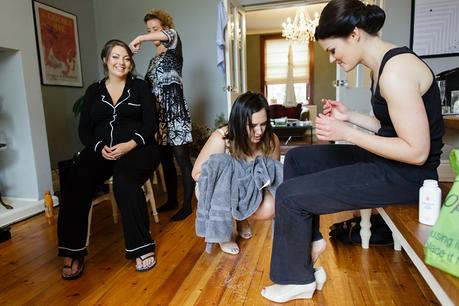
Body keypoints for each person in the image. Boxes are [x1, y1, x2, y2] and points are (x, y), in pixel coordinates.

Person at [262, 0, 444, 302]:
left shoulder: (395, 72)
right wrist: (350, 117)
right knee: (296, 158)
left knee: (290, 196)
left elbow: (417, 152)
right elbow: (390, 128)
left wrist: (348, 134)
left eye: (333, 50)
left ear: (355, 34)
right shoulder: (382, 66)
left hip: (408, 176)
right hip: (387, 162)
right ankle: (313, 242)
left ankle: (297, 280)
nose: (332, 59)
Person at [57, 39, 161, 279]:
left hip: (139, 148)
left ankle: (141, 247)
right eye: (115, 57)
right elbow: (84, 130)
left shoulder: (140, 87)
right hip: (101, 151)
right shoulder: (94, 91)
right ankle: (72, 251)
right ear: (105, 60)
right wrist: (99, 147)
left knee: (125, 181)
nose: (121, 62)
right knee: (76, 180)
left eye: (126, 58)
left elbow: (150, 125)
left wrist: (130, 144)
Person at [192, 92, 281, 255]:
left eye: (263, 124)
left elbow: (273, 176)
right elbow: (196, 173)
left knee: (272, 204)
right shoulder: (222, 138)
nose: (259, 131)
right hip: (219, 190)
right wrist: (229, 179)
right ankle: (223, 235)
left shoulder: (270, 140)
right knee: (225, 182)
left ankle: (241, 217)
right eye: (252, 126)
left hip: (251, 189)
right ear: (239, 122)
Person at [129, 9, 194, 222]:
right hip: (159, 116)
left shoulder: (173, 45)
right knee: (165, 159)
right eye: (148, 30)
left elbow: (168, 35)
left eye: (155, 29)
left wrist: (139, 38)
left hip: (175, 112)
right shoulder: (152, 62)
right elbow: (145, 88)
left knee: (181, 158)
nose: (152, 34)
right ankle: (172, 200)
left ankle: (187, 205)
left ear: (164, 28)